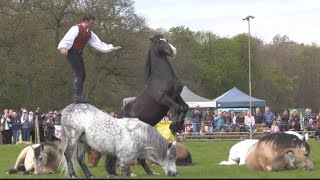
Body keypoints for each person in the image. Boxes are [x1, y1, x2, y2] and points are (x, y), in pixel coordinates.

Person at [58, 15, 122, 103]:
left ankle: (79, 96)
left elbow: (99, 43)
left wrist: (113, 48)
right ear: (86, 21)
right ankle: (77, 97)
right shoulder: (76, 28)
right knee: (79, 73)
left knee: (83, 75)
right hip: (71, 52)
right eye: (91, 22)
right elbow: (67, 38)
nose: (92, 24)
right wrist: (63, 47)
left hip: (78, 54)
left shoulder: (89, 33)